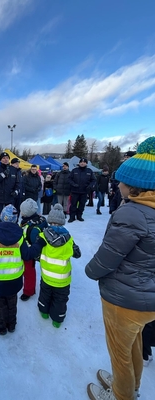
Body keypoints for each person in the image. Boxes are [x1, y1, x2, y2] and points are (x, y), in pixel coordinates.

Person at [85, 137, 155, 400]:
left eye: (121, 181)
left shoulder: (132, 214)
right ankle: (132, 387)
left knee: (120, 354)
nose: (118, 185)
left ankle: (120, 395)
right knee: (134, 346)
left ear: (135, 186)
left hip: (125, 300)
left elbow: (108, 257)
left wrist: (90, 271)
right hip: (148, 298)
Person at [0, 204, 46, 335]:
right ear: (15, 220)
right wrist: (39, 243)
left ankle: (0, 325)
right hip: (14, 280)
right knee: (11, 302)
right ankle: (12, 324)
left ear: (1, 217)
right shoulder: (20, 236)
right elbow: (27, 255)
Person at [37, 204, 81, 328]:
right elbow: (77, 254)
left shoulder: (42, 236)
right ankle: (57, 319)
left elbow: (37, 252)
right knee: (60, 299)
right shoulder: (69, 239)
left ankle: (44, 311)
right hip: (63, 279)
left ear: (50, 221)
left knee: (45, 294)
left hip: (46, 276)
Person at [19, 198, 48, 301]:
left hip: (29, 252)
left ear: (26, 213)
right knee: (29, 271)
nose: (20, 212)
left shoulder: (28, 226)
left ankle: (28, 291)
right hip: (37, 248)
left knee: (29, 272)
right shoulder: (40, 219)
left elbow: (28, 239)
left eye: (22, 210)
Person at [0, 152, 20, 224]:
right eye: (3, 158)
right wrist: (3, 175)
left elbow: (17, 183)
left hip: (10, 198)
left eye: (7, 158)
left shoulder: (13, 169)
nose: (6, 160)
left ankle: (10, 233)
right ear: (0, 160)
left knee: (11, 217)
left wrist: (16, 191)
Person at [68, 157, 96, 222]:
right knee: (73, 204)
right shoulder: (74, 170)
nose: (82, 163)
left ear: (86, 163)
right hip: (75, 191)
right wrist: (73, 184)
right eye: (81, 162)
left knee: (82, 205)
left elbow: (94, 180)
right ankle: (72, 217)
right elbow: (69, 179)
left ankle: (79, 216)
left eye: (84, 162)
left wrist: (90, 186)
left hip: (84, 191)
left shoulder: (89, 171)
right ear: (79, 163)